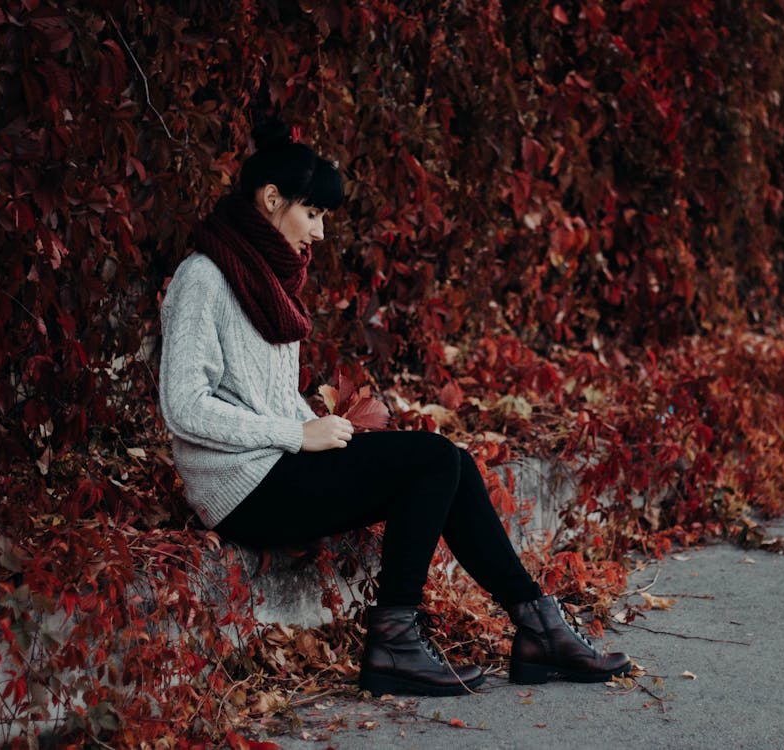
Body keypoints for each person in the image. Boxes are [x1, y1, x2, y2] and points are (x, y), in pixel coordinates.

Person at [158, 120, 630, 696]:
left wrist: (317, 430)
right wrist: (293, 432)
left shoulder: (267, 279)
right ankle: (397, 641)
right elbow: (184, 405)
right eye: (313, 214)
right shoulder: (204, 277)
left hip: (276, 463)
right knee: (431, 460)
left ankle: (535, 625)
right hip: (240, 488)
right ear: (272, 200)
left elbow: (263, 396)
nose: (322, 233)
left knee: (448, 459)